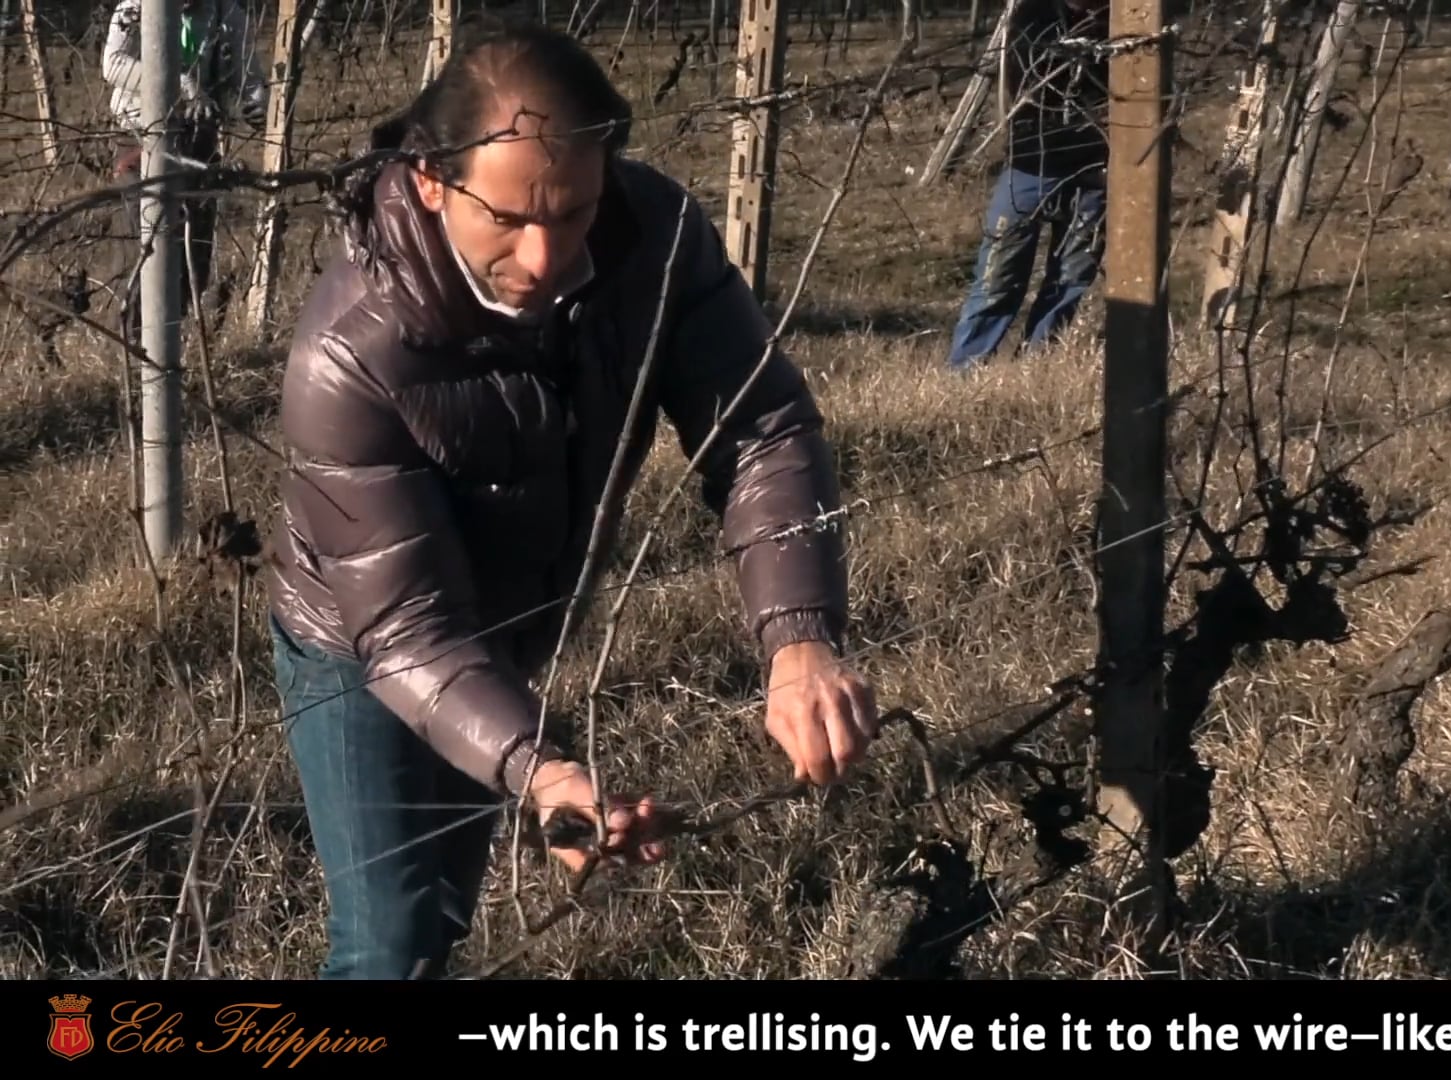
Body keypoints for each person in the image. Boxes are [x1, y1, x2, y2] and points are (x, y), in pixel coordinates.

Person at [263, 22, 877, 979]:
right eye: (507, 220)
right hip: (360, 638)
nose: (547, 257)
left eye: (575, 213)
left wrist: (799, 640)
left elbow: (761, 428)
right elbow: (408, 631)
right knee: (391, 940)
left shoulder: (656, 240)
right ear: (431, 180)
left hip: (513, 618)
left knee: (446, 910)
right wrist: (543, 769)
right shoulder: (350, 353)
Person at [946, 0, 1111, 373]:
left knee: (1070, 280)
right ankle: (965, 371)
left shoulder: (1126, 19)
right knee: (997, 279)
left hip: (1095, 172)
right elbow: (1039, 77)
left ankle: (1035, 368)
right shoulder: (1034, 13)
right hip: (1031, 166)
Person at [102, 0, 268, 336]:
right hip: (140, 138)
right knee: (149, 245)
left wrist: (257, 101)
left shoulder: (225, 13)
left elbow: (247, 72)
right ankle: (134, 345)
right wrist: (178, 85)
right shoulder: (133, 9)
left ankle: (171, 342)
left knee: (195, 254)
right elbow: (113, 65)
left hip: (198, 141)